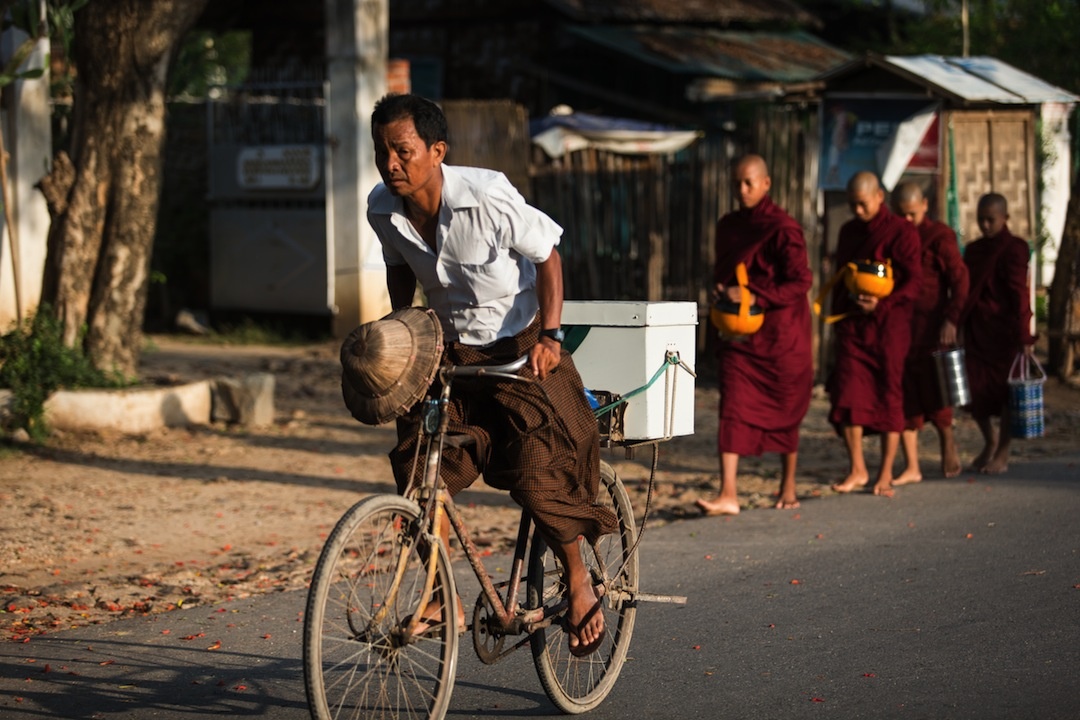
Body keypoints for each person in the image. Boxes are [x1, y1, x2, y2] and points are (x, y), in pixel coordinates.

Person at [365, 93, 616, 656]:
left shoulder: (487, 196)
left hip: (524, 348)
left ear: (437, 151)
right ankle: (438, 592)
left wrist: (551, 336)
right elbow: (398, 268)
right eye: (382, 152)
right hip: (450, 355)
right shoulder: (381, 207)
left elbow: (548, 253)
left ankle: (577, 577)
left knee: (538, 469)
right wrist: (403, 331)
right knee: (420, 466)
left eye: (402, 151)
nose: (390, 164)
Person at [695, 155, 813, 516]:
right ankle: (728, 492)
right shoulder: (728, 225)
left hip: (780, 333)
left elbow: (801, 281)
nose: (741, 190)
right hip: (739, 334)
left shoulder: (782, 228)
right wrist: (722, 290)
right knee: (731, 406)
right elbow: (726, 272)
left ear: (766, 184)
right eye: (736, 183)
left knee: (785, 408)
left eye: (748, 183)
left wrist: (755, 295)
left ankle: (788, 483)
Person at [828, 172, 922, 497]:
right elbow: (842, 276)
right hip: (855, 325)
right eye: (852, 205)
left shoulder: (902, 232)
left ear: (880, 197)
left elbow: (913, 281)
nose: (857, 211)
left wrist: (882, 302)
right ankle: (857, 468)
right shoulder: (848, 231)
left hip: (889, 327)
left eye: (862, 204)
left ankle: (884, 472)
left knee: (888, 395)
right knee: (848, 393)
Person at [892, 182, 969, 484]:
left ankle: (948, 443)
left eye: (912, 214)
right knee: (904, 392)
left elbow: (960, 281)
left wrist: (951, 319)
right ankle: (912, 465)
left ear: (925, 205)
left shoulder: (940, 237)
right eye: (901, 215)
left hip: (932, 325)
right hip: (901, 326)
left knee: (937, 390)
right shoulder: (895, 236)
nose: (907, 221)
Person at [960, 193, 1035, 474]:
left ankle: (1002, 453)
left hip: (1005, 333)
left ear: (1006, 218)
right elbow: (966, 290)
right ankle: (989, 441)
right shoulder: (975, 250)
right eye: (981, 220)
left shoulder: (1014, 248)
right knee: (974, 391)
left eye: (991, 219)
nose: (985, 225)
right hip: (978, 330)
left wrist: (1024, 335)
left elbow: (1020, 293)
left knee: (1006, 394)